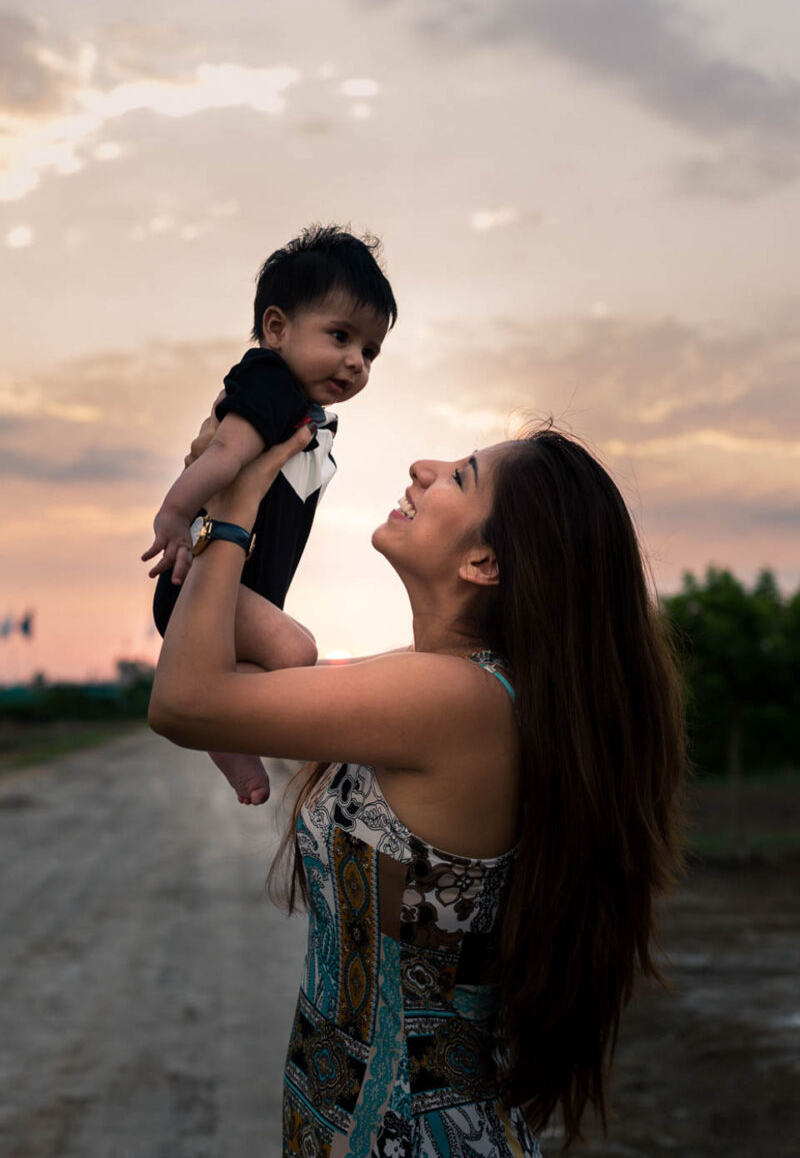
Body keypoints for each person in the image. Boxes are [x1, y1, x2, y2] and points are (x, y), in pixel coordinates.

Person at [149, 421, 687, 1156]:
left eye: (461, 477)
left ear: (485, 560)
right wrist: (215, 508)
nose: (422, 467)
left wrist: (235, 504)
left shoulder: (455, 700)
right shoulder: (449, 688)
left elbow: (186, 700)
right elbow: (229, 661)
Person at [142, 224, 397, 806]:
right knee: (296, 653)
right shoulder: (269, 381)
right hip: (202, 595)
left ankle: (221, 725)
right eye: (340, 336)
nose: (355, 361)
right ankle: (226, 737)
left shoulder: (307, 411)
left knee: (278, 664)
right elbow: (223, 452)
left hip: (240, 596)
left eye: (369, 351)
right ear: (277, 328)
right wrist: (175, 514)